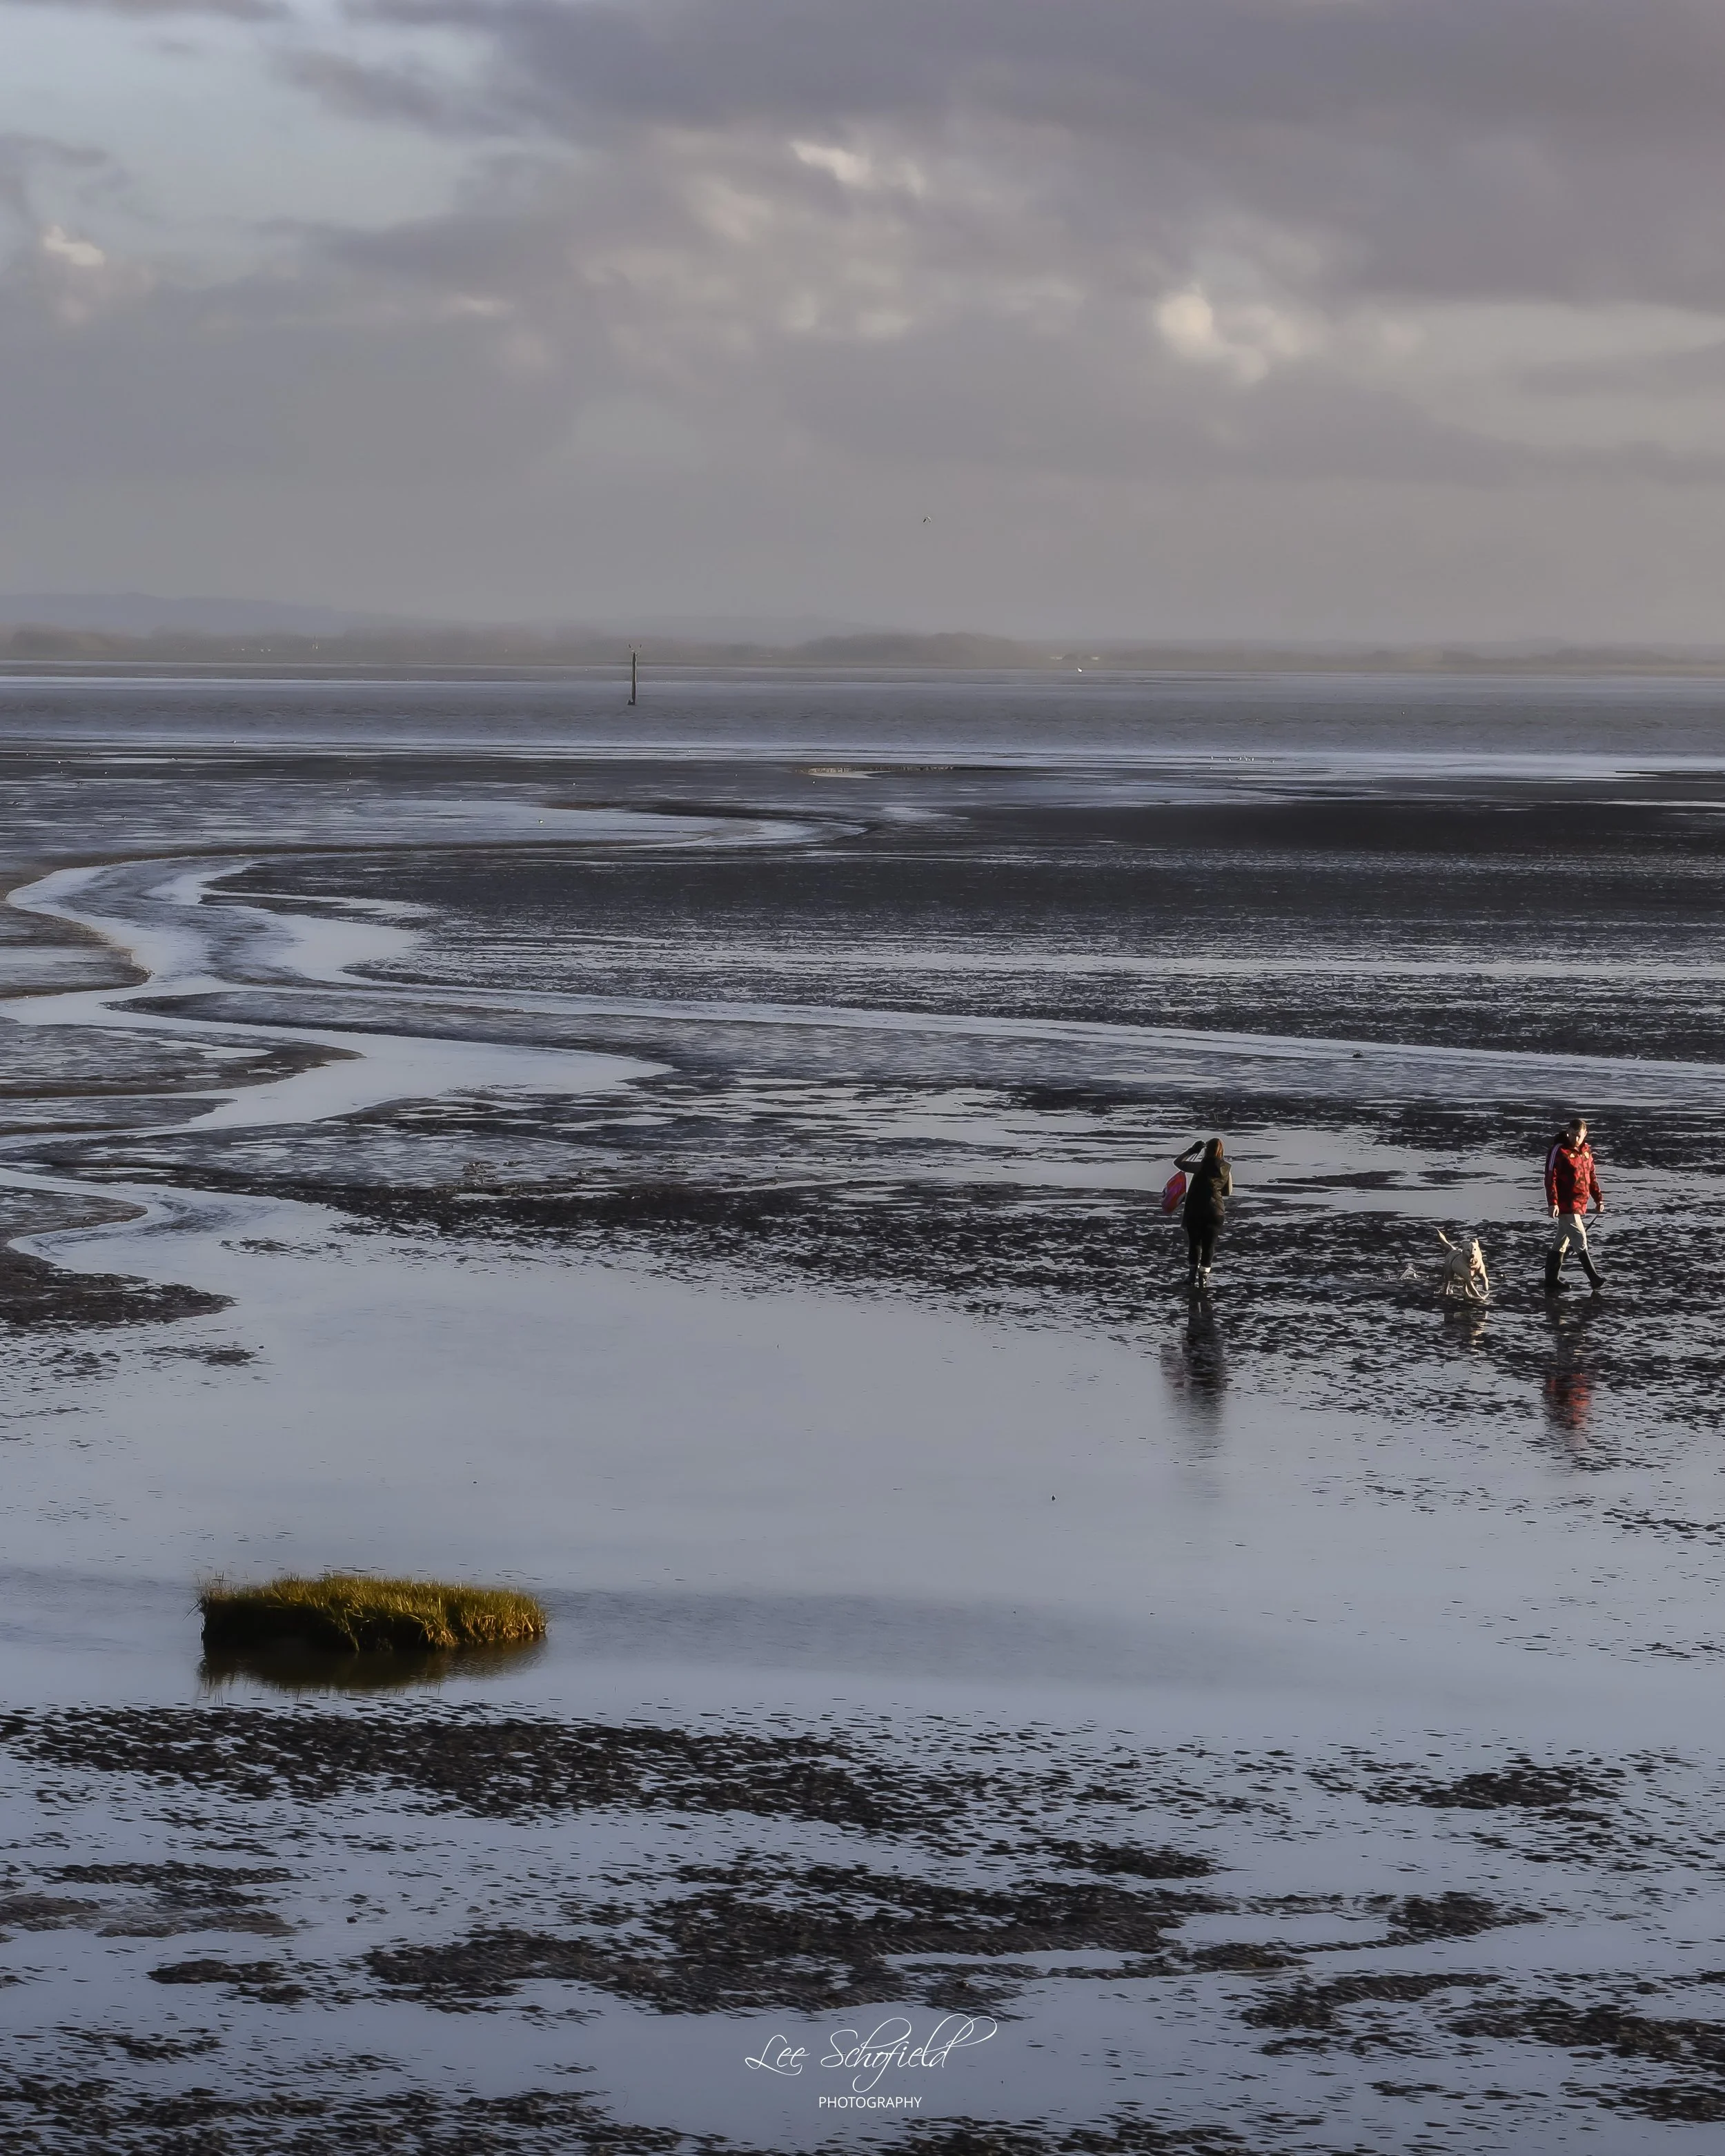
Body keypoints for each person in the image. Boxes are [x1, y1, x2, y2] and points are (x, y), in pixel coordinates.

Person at [1544, 1116, 1604, 1293]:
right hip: (1565, 1204)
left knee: (1561, 1241)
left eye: (1579, 1136)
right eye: (1572, 1135)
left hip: (1580, 1203)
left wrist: (1598, 1198)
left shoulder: (1586, 1151)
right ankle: (1594, 1278)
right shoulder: (1559, 1150)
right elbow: (1550, 1178)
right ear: (1567, 1131)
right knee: (1580, 1238)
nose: (1575, 1139)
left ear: (1585, 1134)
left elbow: (1592, 1176)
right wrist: (1553, 1203)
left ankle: (1551, 1280)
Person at [1175, 1137, 1232, 1288]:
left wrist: (1192, 1150)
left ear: (1207, 1150)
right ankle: (1204, 1277)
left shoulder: (1200, 1166)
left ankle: (1192, 1275)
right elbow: (1228, 1192)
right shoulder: (1226, 1168)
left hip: (1196, 1210)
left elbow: (1178, 1163)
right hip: (1216, 1212)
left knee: (1194, 1243)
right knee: (1209, 1245)